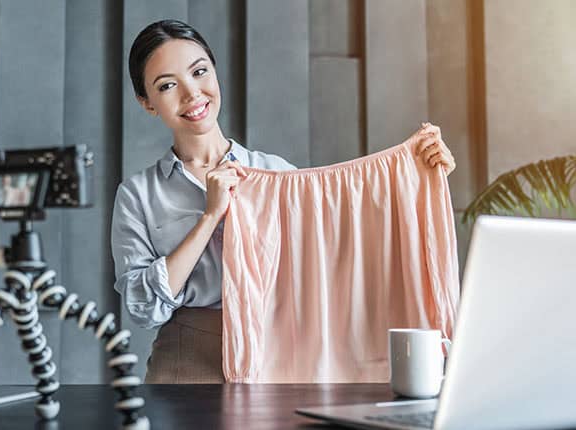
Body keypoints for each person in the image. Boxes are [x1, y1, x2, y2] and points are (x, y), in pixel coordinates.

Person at [111, 19, 456, 384]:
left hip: (277, 355)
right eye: (167, 85)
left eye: (199, 72)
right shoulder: (138, 195)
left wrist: (419, 182)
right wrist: (210, 217)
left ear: (215, 72)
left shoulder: (276, 174)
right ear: (147, 103)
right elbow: (143, 307)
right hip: (187, 362)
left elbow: (338, 250)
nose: (192, 93)